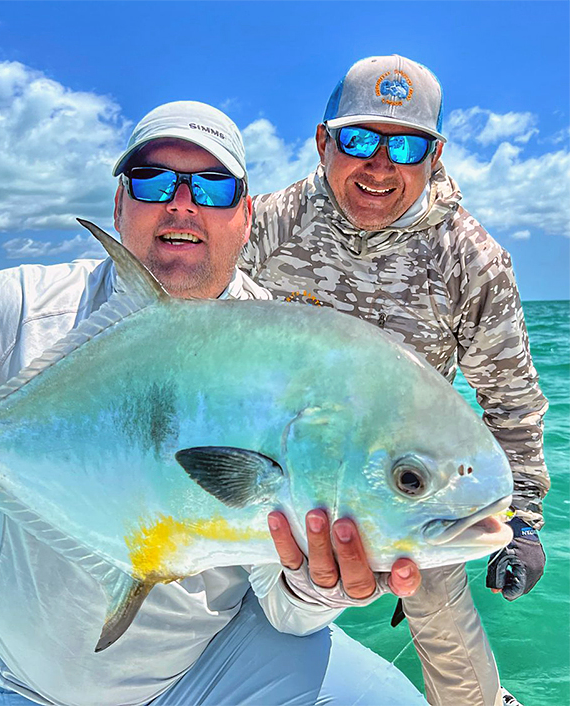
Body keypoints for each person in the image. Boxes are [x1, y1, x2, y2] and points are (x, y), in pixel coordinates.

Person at [0, 101, 429, 706]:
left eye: (212, 187)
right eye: (154, 182)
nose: (182, 205)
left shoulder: (285, 357)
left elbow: (286, 617)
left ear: (246, 215)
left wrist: (319, 586)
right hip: (31, 685)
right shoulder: (36, 306)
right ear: (120, 201)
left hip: (208, 668)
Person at [242, 55, 549, 706]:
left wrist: (521, 521)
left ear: (434, 156)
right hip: (281, 466)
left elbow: (510, 399)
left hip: (408, 483)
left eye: (406, 145)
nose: (380, 166)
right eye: (358, 139)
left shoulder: (472, 259)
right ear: (324, 142)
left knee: (443, 617)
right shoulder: (264, 226)